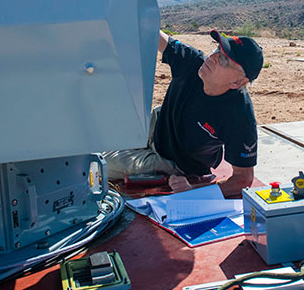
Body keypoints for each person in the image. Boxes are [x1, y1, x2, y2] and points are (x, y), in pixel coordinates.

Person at [103, 29, 263, 198]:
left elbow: (243, 179)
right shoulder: (193, 62)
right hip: (157, 125)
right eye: (217, 50)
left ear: (238, 82)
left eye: (224, 60)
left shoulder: (239, 116)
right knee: (97, 139)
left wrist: (194, 192)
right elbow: (151, 32)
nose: (213, 57)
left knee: (99, 164)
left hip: (174, 162)